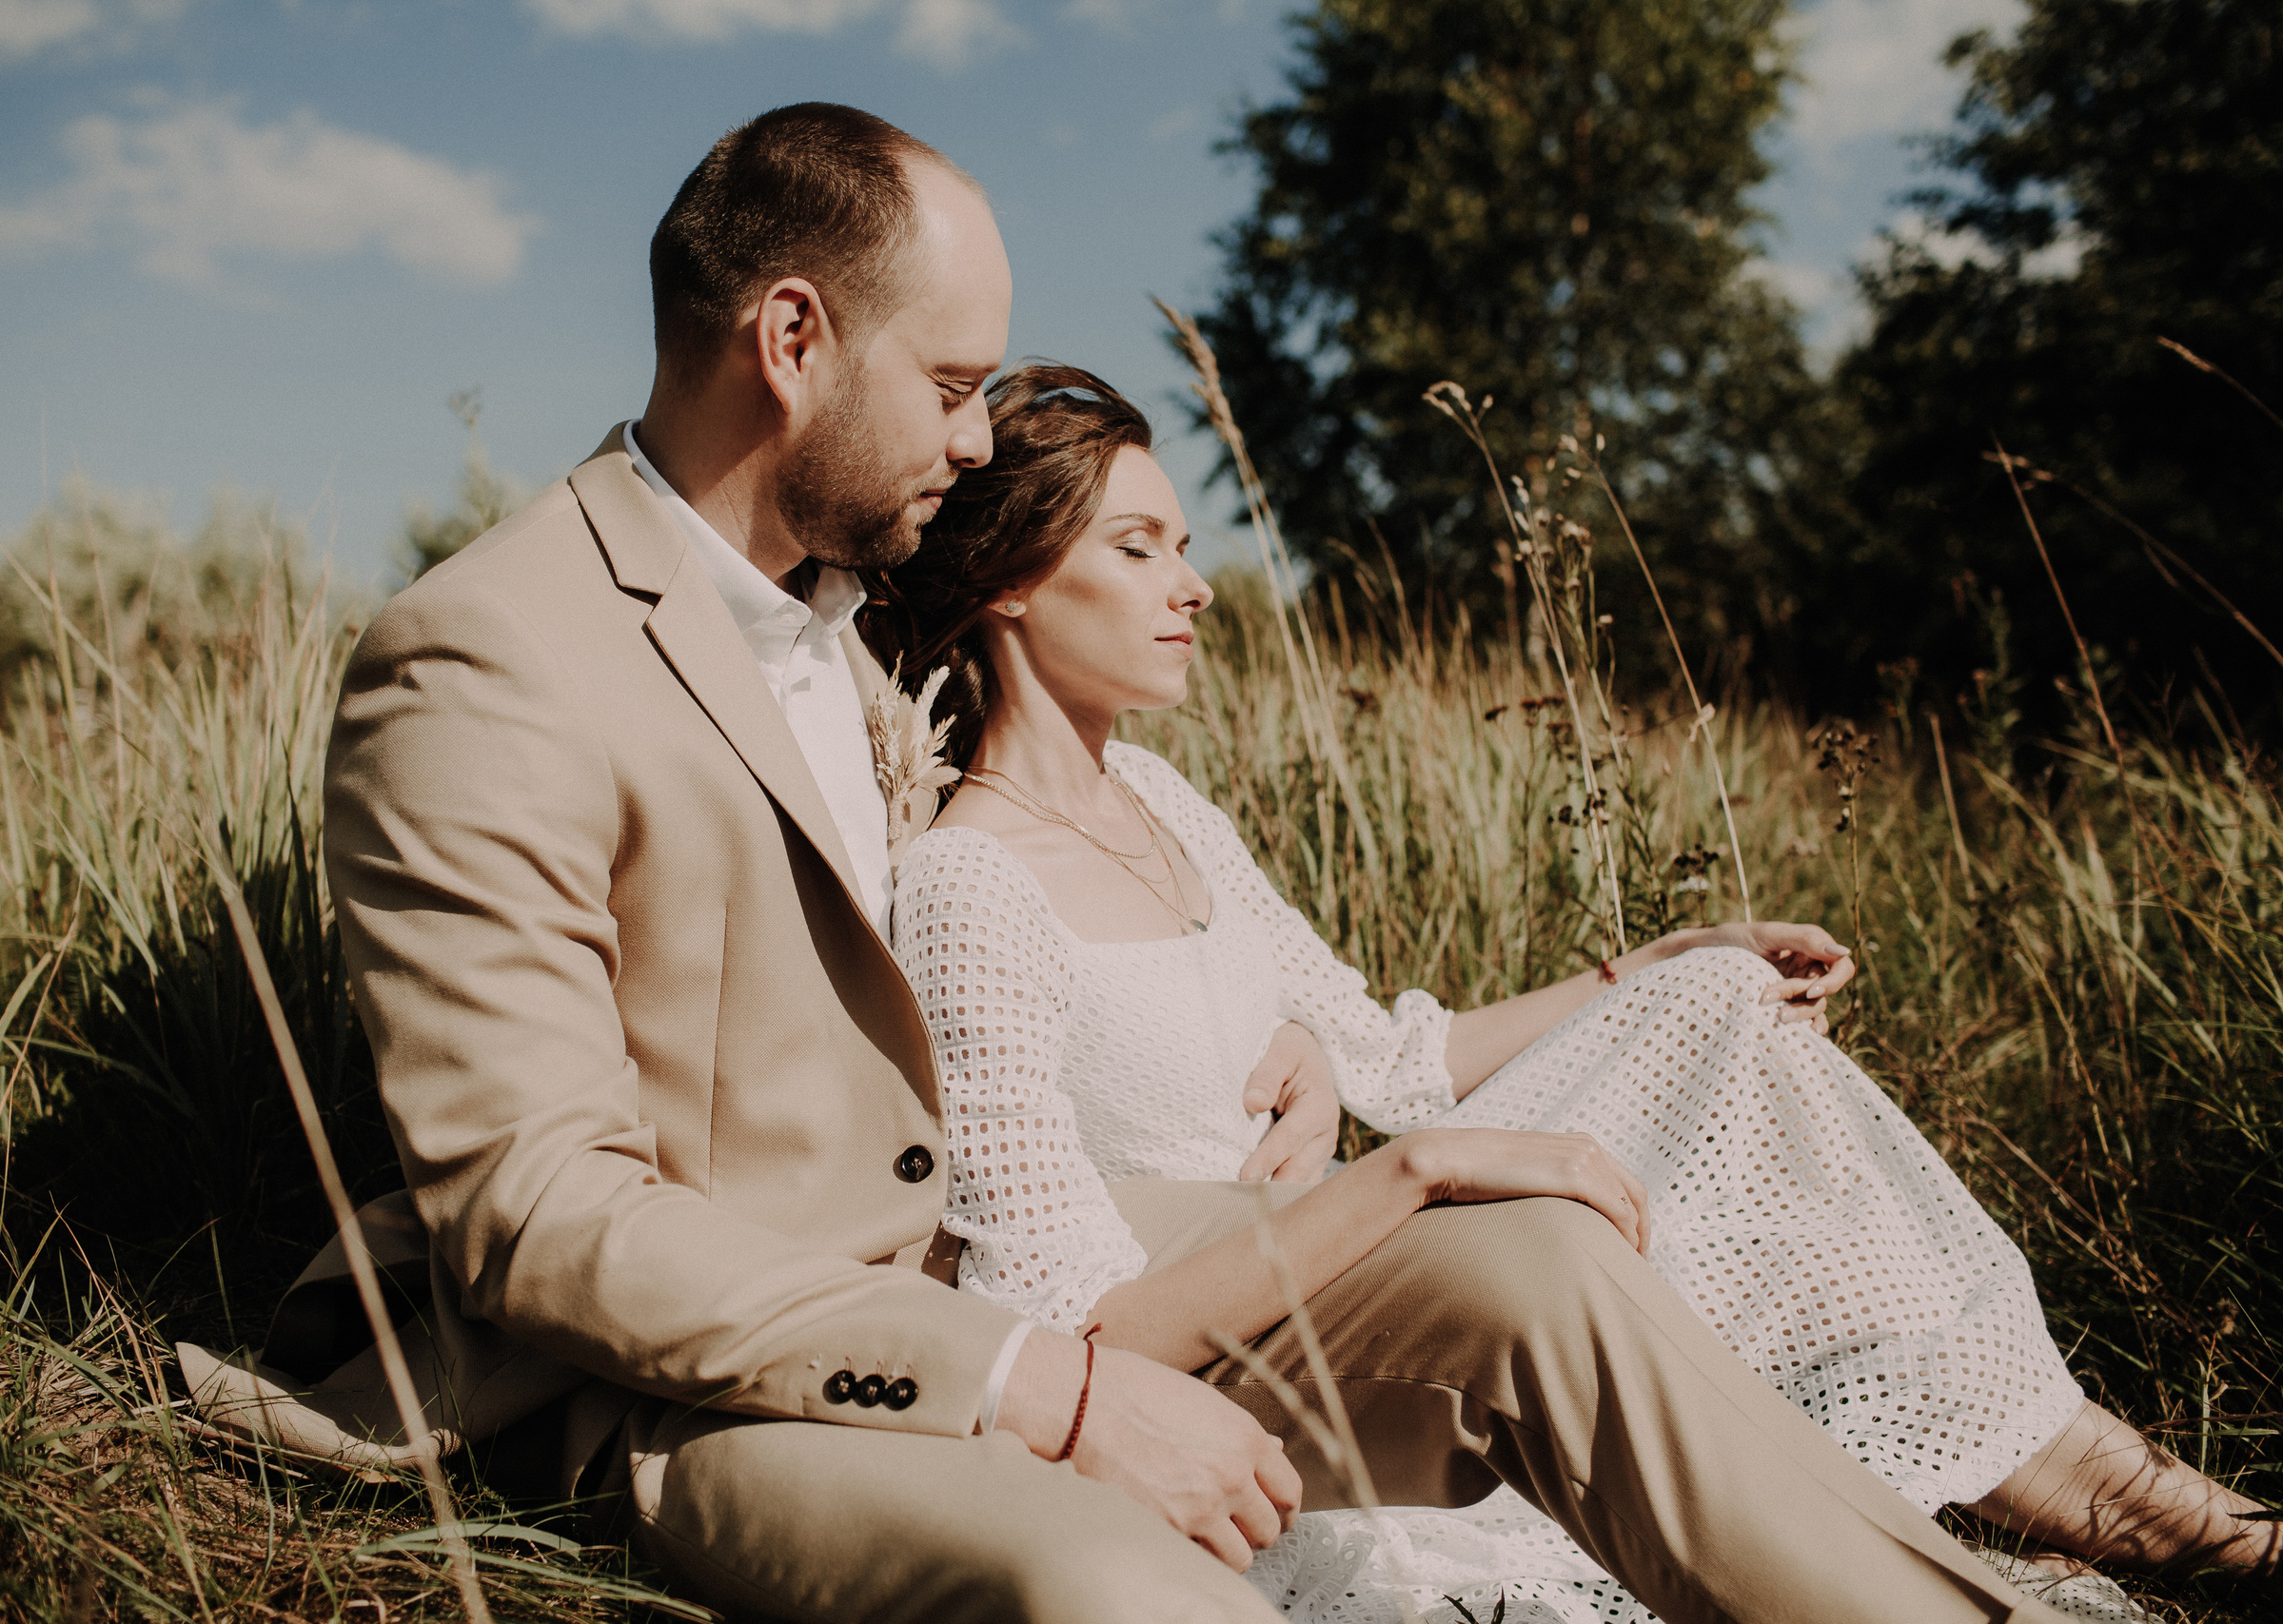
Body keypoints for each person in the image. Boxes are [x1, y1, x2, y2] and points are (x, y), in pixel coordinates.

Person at [186, 107, 2079, 1624]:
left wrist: (1333, 1089)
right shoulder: (489, 656)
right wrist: (1052, 1387)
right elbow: (536, 1218)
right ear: (786, 338)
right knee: (1124, 1587)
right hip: (721, 1387)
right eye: (946, 381)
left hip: (1035, 1257)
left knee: (1536, 1265)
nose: (969, 432)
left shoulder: (844, 638)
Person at [866, 362, 2283, 1624]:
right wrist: (1416, 1178)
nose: (1196, 583)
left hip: (1351, 1249)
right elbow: (1071, 1331)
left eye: (1186, 543)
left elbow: (1393, 1054)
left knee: (1719, 1011)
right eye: (1139, 547)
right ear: (1008, 582)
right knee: (1615, 1163)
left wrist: (1666, 958)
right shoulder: (971, 886)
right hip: (1268, 1344)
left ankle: (2091, 1474)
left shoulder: (1165, 804)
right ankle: (2123, 1499)